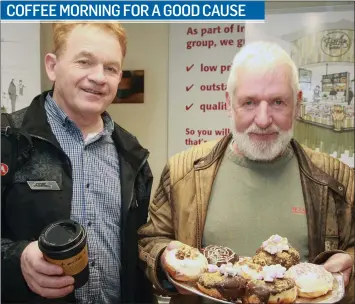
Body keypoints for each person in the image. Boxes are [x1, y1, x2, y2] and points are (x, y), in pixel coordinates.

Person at [137, 42, 354, 304]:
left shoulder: (336, 178)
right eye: (249, 102)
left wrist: (349, 266)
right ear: (229, 102)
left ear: (297, 104)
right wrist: (163, 259)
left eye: (278, 102)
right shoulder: (183, 172)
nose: (263, 120)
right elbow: (150, 240)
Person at [1, 22, 154, 304]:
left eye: (111, 68)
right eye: (84, 62)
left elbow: (137, 257)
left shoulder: (133, 155)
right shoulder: (8, 140)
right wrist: (16, 260)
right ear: (52, 66)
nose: (99, 77)